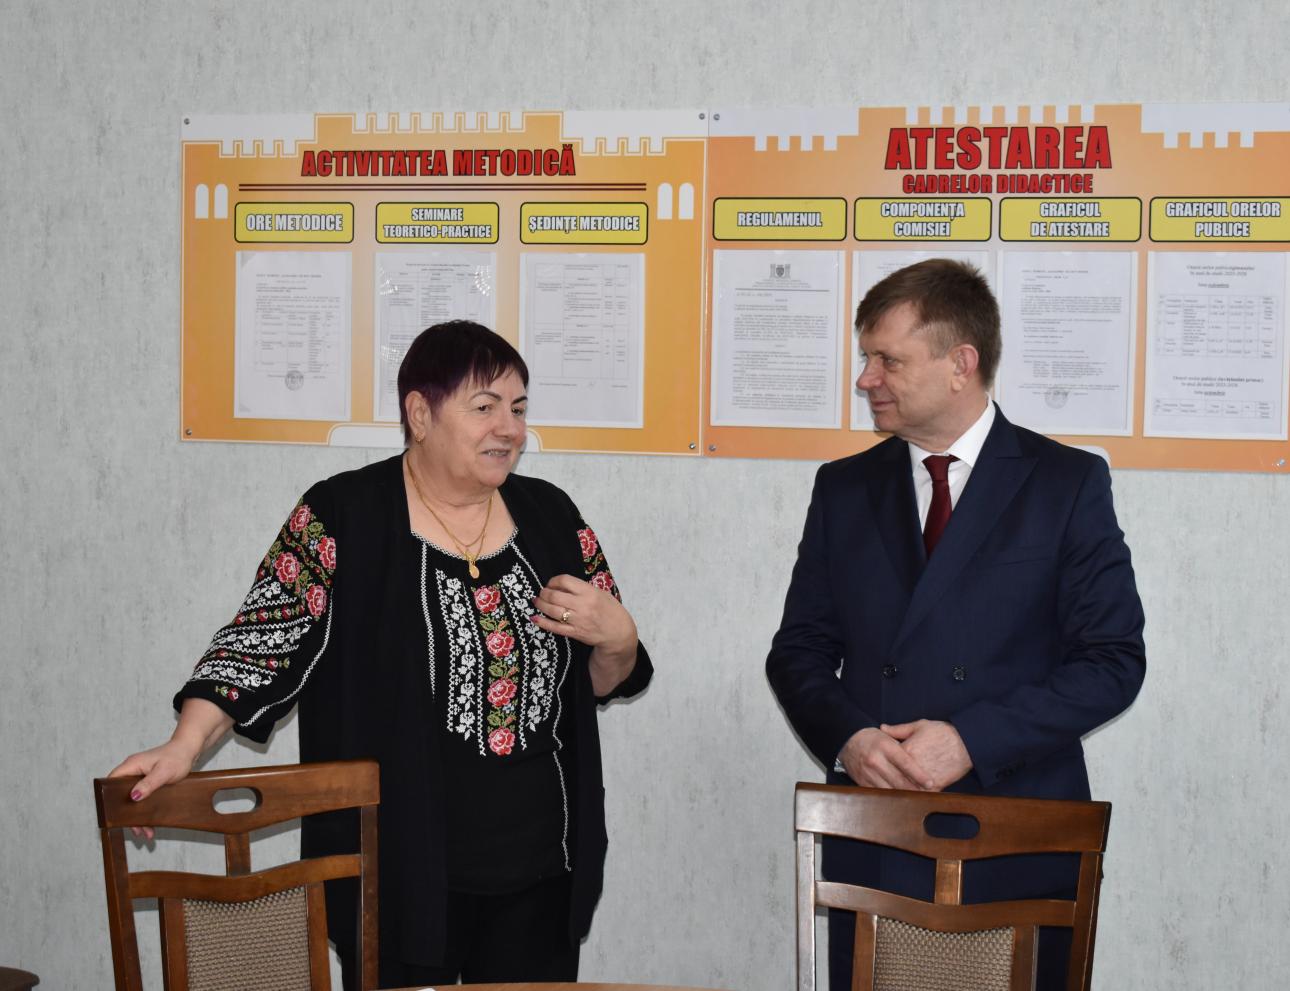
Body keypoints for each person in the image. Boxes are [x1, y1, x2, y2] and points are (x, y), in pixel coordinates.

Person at [110, 320, 651, 988]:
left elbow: (600, 680)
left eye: (518, 409)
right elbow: (259, 642)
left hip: (541, 874)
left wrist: (621, 640)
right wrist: (183, 746)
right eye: (484, 407)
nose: (509, 429)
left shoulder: (551, 517)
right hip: (391, 875)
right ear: (420, 414)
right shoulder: (344, 515)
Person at [765, 259, 1145, 991]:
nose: (866, 379)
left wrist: (972, 739)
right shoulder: (843, 487)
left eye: (889, 360)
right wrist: (850, 739)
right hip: (879, 826)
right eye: (867, 358)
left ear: (960, 364)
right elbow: (798, 651)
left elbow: (1112, 661)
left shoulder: (1065, 483)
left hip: (1016, 826)